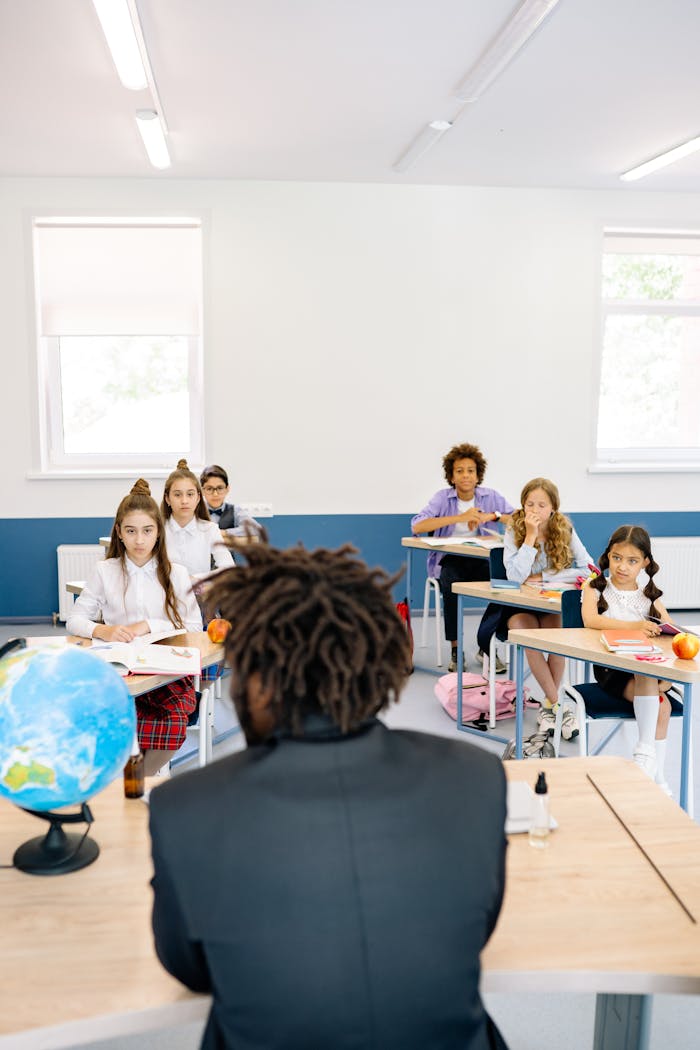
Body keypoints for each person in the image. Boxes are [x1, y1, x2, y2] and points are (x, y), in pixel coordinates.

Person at [149, 544, 509, 1050]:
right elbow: (476, 931)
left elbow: (190, 968)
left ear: (255, 681)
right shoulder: (476, 777)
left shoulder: (184, 808)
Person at [66, 479, 203, 775]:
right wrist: (103, 630)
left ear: (158, 532)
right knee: (95, 719)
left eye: (147, 531)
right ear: (119, 532)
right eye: (130, 531)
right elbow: (75, 620)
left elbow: (194, 626)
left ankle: (135, 781)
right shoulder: (105, 571)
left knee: (174, 721)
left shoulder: (176, 573)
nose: (139, 540)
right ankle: (124, 782)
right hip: (118, 672)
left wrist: (149, 625)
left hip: (166, 673)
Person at [581, 525, 675, 793]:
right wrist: (636, 626)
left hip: (646, 668)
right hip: (612, 669)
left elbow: (670, 628)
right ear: (608, 556)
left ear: (645, 563)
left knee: (663, 707)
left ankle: (654, 776)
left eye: (632, 561)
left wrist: (665, 631)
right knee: (654, 689)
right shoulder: (595, 588)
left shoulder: (649, 596)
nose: (622, 566)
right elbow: (591, 620)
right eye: (617, 558)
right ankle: (648, 760)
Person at [502, 477, 592, 740]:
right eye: (530, 504)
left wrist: (546, 576)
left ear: (553, 508)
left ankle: (549, 707)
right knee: (528, 636)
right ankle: (560, 706)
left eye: (542, 505)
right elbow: (514, 577)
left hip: (551, 604)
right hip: (519, 606)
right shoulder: (515, 529)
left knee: (556, 637)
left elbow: (589, 569)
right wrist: (530, 537)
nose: (535, 510)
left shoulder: (564, 528)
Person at [411, 442, 513, 673]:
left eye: (470, 470)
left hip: (481, 560)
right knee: (450, 585)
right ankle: (456, 650)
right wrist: (460, 518)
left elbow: (518, 518)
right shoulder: (441, 498)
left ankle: (486, 644)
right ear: (451, 476)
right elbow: (417, 525)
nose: (465, 475)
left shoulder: (490, 496)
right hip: (450, 560)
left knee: (506, 584)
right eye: (459, 471)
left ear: (478, 475)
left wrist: (493, 516)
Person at [162, 459, 235, 578]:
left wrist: (196, 579)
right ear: (167, 499)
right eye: (177, 495)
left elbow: (228, 568)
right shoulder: (158, 530)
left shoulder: (210, 529)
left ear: (198, 498)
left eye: (190, 494)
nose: (184, 501)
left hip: (200, 588)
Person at [199, 463, 263, 540]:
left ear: (227, 489)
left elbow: (257, 529)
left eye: (220, 488)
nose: (215, 494)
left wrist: (225, 532)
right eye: (209, 489)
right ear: (202, 491)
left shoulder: (235, 510)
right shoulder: (196, 511)